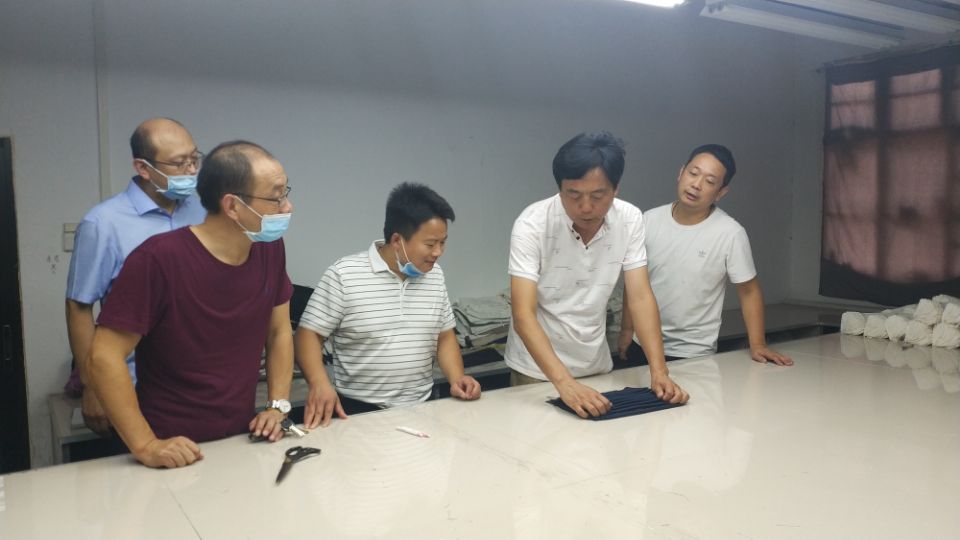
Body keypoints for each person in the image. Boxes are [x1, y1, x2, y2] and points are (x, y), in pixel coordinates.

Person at [88, 140, 295, 468]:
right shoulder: (158, 259)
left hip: (240, 439)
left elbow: (279, 331)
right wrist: (146, 445)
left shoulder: (269, 249)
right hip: (171, 446)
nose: (287, 207)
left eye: (286, 193)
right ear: (233, 206)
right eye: (276, 196)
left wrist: (277, 406)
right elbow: (104, 356)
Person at [505, 131, 688, 419]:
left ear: (615, 189)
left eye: (598, 195)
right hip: (537, 372)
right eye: (573, 195)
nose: (586, 207)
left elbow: (640, 297)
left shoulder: (630, 219)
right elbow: (523, 314)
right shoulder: (532, 224)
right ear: (559, 188)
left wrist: (659, 372)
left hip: (596, 367)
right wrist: (565, 384)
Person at [296, 183, 481, 428]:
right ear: (397, 240)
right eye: (430, 244)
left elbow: (444, 335)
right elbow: (308, 335)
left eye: (443, 242)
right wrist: (319, 384)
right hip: (358, 412)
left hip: (423, 408)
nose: (438, 252)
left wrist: (457, 378)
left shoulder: (435, 275)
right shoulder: (344, 274)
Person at [66, 117, 206, 436]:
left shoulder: (202, 213)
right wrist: (92, 385)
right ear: (143, 168)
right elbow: (79, 307)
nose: (191, 170)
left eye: (194, 159)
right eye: (179, 163)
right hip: (135, 388)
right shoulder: (103, 224)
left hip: (200, 384)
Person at [619, 144, 792, 366]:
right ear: (681, 173)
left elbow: (749, 291)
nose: (696, 185)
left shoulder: (730, 233)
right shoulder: (648, 220)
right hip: (641, 344)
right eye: (693, 173)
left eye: (710, 181)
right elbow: (634, 284)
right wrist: (626, 329)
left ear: (721, 193)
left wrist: (758, 344)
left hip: (693, 352)